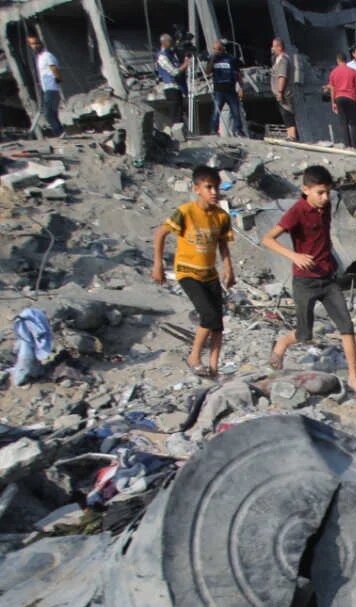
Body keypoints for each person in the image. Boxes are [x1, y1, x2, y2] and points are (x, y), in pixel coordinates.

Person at [263, 165, 356, 401]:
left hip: (328, 278)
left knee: (347, 327)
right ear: (305, 190)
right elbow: (268, 239)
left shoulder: (327, 206)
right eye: (319, 192)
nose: (324, 198)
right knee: (303, 333)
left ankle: (354, 379)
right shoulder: (296, 212)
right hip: (304, 281)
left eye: (326, 193)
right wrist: (295, 256)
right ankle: (281, 345)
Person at [151, 166, 234, 378]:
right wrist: (158, 264)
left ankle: (214, 368)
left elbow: (223, 245)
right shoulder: (185, 212)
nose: (214, 192)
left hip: (210, 274)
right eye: (208, 187)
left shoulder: (221, 216)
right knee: (207, 315)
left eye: (216, 187)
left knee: (217, 323)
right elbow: (160, 234)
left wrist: (229, 269)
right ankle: (194, 357)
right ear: (197, 189)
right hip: (188, 272)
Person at [206, 40, 246, 137]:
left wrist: (240, 87)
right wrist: (212, 59)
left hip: (230, 89)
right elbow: (207, 71)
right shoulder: (212, 59)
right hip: (218, 89)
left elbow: (237, 73)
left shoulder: (231, 59)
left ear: (223, 49)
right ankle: (214, 130)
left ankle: (238, 130)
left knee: (235, 111)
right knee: (216, 110)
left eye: (219, 49)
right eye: (215, 49)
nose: (217, 51)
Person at [26, 36, 63, 137]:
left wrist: (58, 79)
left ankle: (59, 133)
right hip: (47, 88)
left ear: (41, 44)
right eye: (33, 44)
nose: (35, 46)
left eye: (37, 43)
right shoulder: (39, 58)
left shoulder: (47, 55)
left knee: (48, 113)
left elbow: (54, 67)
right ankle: (61, 133)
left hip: (51, 88)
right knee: (52, 113)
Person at [156, 33, 191, 128]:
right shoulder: (162, 56)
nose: (172, 43)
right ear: (164, 42)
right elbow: (174, 72)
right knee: (175, 114)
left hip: (179, 87)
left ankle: (182, 132)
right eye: (170, 42)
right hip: (170, 87)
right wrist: (186, 64)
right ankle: (176, 136)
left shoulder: (171, 54)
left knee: (180, 112)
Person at [328, 53, 356, 148]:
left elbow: (332, 89)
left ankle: (347, 145)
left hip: (339, 98)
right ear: (346, 60)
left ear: (338, 60)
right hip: (351, 98)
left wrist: (333, 102)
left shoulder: (333, 72)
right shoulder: (352, 71)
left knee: (343, 123)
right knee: (353, 122)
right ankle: (355, 146)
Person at [271, 38, 296, 141]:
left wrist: (280, 91)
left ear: (279, 47)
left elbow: (282, 76)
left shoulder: (283, 60)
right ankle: (289, 135)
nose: (272, 48)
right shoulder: (278, 59)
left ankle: (292, 135)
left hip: (285, 92)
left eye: (274, 46)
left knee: (287, 113)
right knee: (284, 113)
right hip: (282, 92)